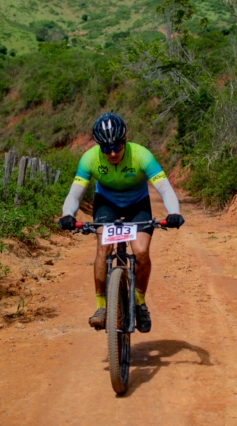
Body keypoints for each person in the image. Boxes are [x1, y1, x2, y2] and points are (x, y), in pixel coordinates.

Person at [58, 112, 184, 333]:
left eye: (117, 146)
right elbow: (75, 194)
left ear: (125, 140)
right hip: (107, 204)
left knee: (141, 251)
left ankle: (139, 302)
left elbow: (164, 188)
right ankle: (101, 307)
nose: (113, 153)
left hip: (137, 204)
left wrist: (174, 212)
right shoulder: (89, 159)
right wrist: (68, 214)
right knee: (103, 249)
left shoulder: (141, 155)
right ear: (99, 146)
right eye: (106, 149)